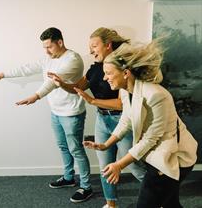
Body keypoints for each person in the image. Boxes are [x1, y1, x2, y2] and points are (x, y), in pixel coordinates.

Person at [84, 40, 198, 208]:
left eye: (108, 72)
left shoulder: (156, 95)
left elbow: (151, 139)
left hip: (175, 156)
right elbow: (126, 120)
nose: (104, 77)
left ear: (125, 73)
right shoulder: (125, 91)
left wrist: (119, 164)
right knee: (169, 203)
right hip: (157, 153)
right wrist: (105, 145)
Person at [0, 27, 93, 203]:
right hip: (56, 112)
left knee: (76, 149)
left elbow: (52, 83)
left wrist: (35, 96)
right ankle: (68, 178)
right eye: (44, 47)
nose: (46, 51)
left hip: (71, 113)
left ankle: (86, 187)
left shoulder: (73, 59)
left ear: (60, 42)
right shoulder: (48, 59)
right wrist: (2, 75)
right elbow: (27, 68)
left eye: (49, 47)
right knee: (63, 147)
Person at [48, 27, 146, 208]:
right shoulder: (94, 69)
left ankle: (160, 195)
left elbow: (121, 104)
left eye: (94, 46)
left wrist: (93, 101)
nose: (91, 50)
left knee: (134, 167)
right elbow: (77, 87)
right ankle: (111, 204)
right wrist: (61, 84)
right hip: (102, 121)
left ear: (108, 45)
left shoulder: (123, 69)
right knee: (105, 167)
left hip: (122, 121)